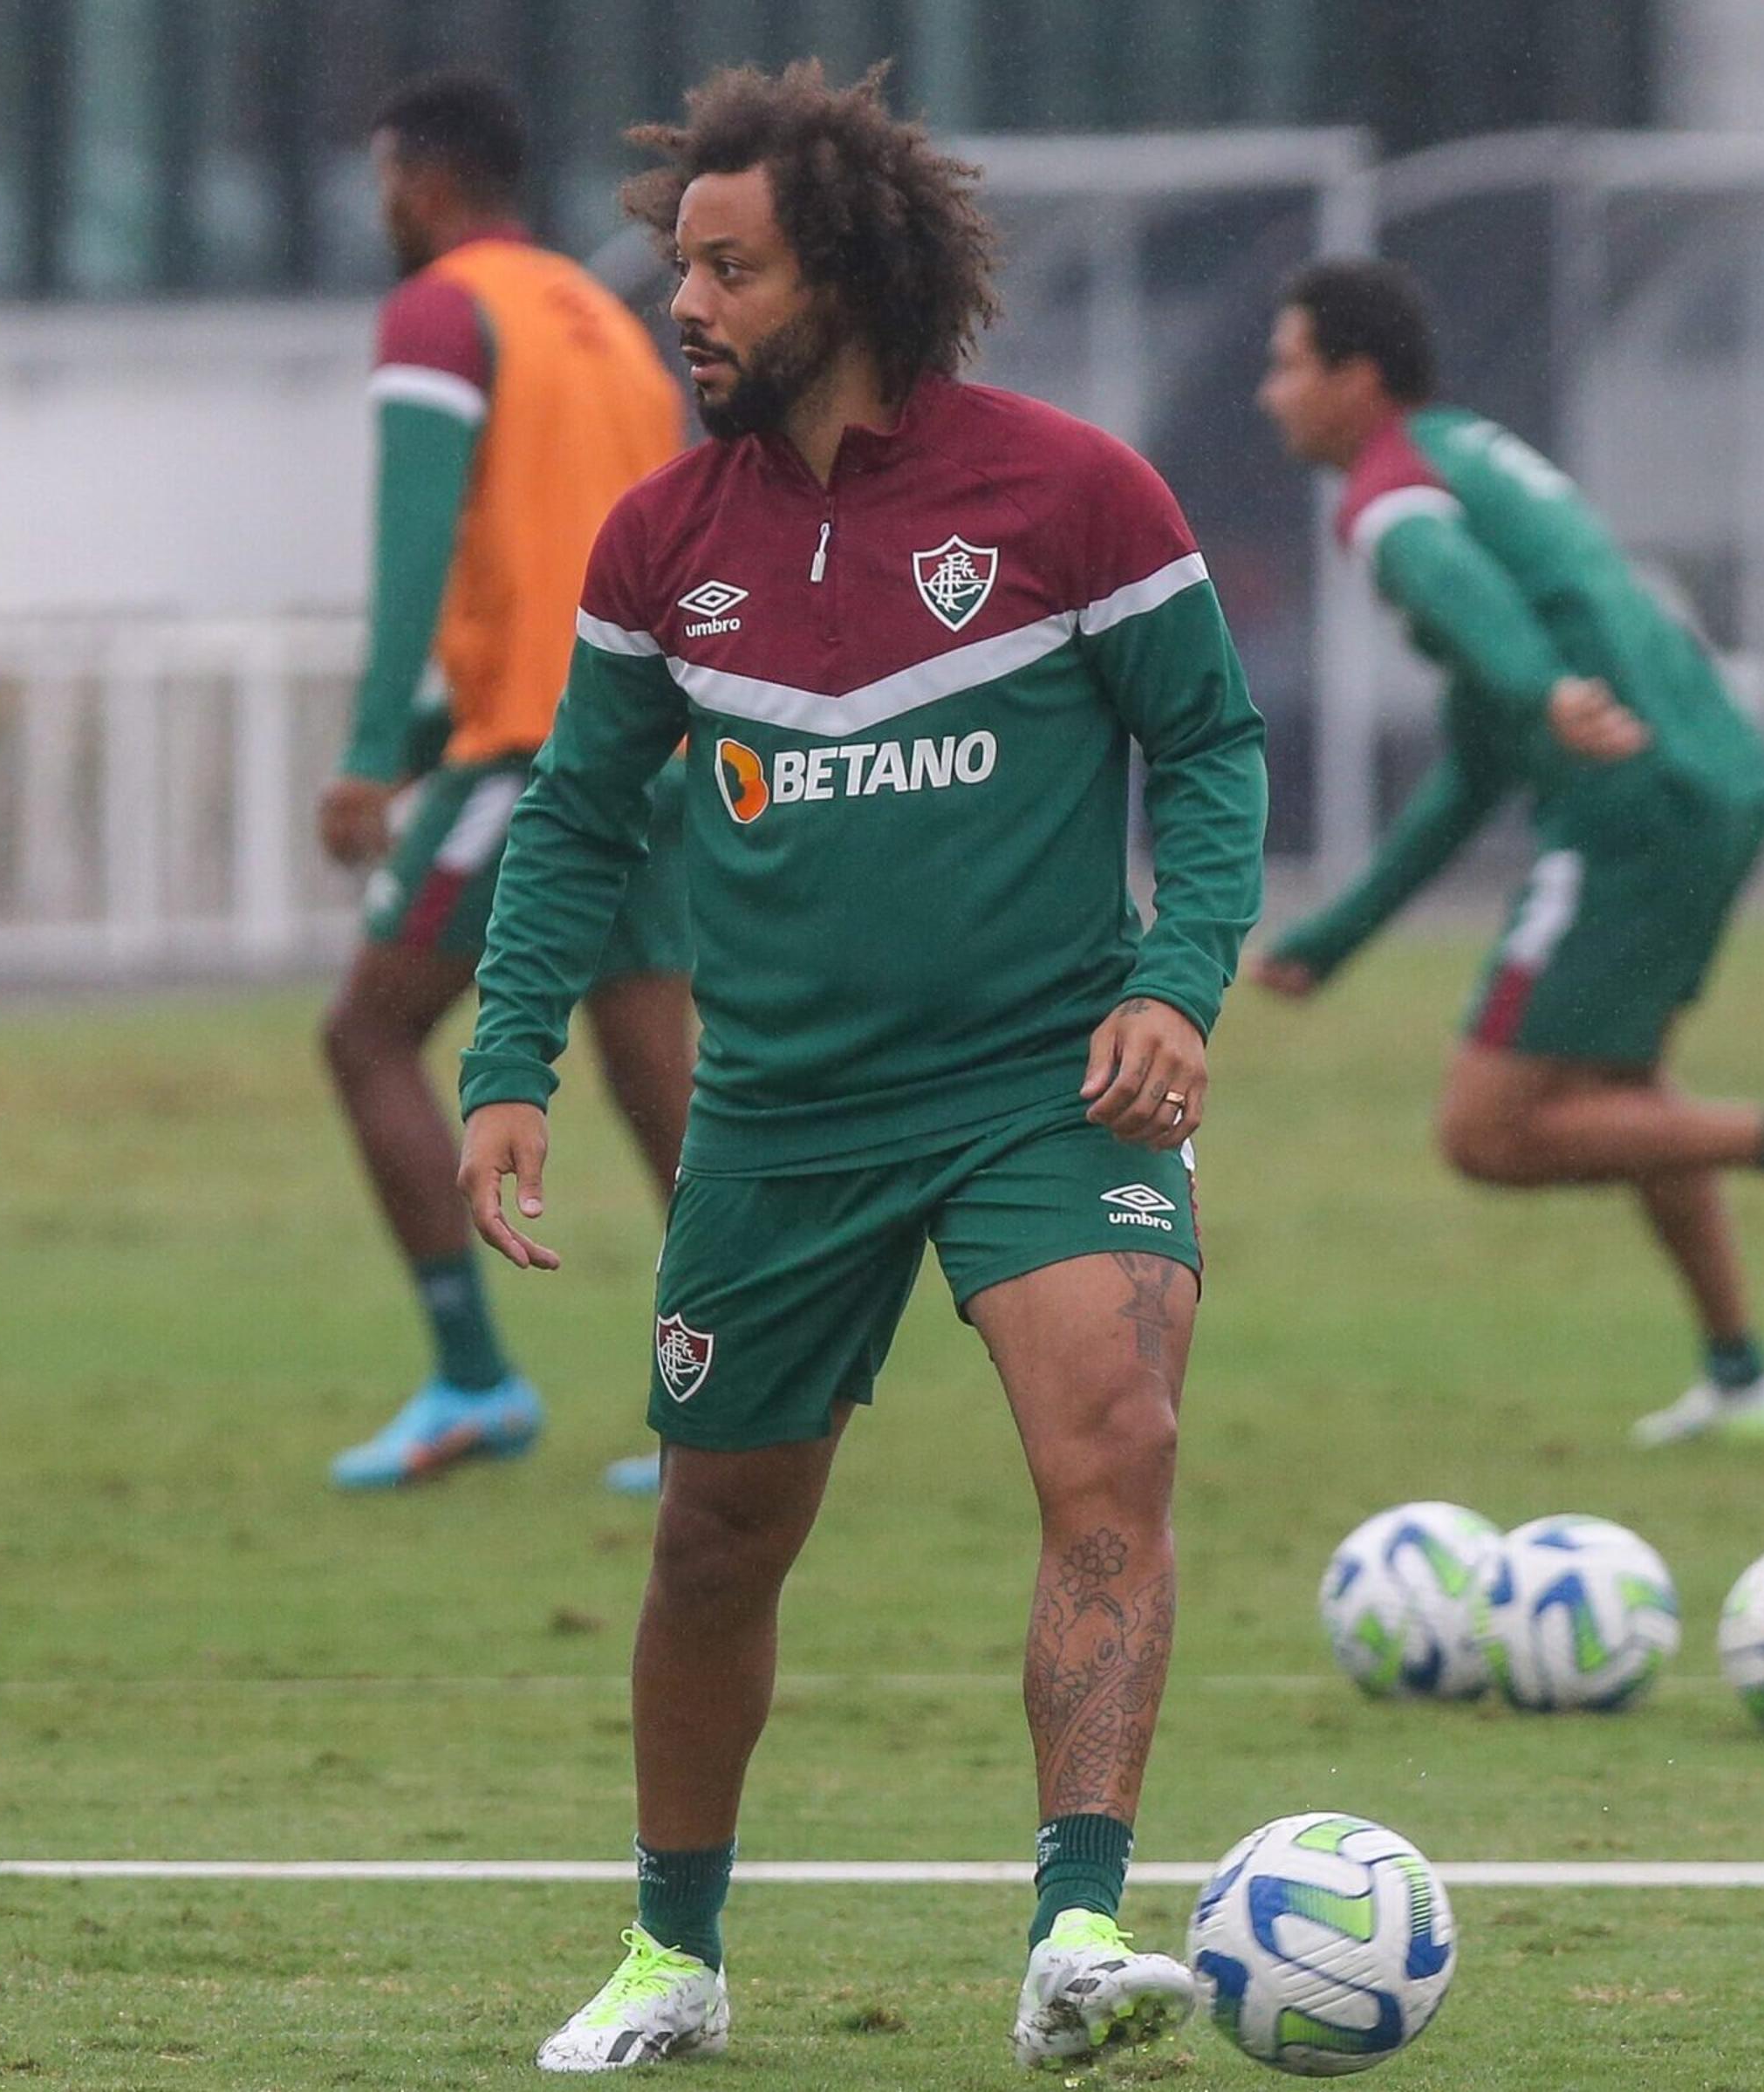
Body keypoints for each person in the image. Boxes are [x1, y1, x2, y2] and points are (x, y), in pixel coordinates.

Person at [455, 63, 1268, 2073]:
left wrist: (1178, 978)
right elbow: (570, 818)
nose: (690, 303)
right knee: (717, 1536)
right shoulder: (663, 545)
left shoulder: (1078, 495)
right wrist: (509, 1062)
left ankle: (1080, 1925)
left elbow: (1217, 746)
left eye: (732, 267)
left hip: (1039, 1082)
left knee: (1120, 1443)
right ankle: (676, 1956)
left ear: (855, 274)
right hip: (784, 1114)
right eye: (683, 264)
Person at [1247, 257, 1764, 1447]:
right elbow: (1477, 759)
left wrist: (1544, 688)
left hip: (1631, 802)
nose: (1269, 392)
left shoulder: (1390, 498)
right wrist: (1337, 937)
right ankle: (1743, 1373)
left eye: (1288, 364)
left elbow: (1457, 598)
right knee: (1620, 1097)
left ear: (1356, 378)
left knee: (1489, 1131)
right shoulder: (1471, 453)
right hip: (1713, 778)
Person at [316, 72, 697, 1498]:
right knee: (659, 1072)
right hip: (648, 738)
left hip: (543, 764)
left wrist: (370, 758)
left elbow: (414, 552)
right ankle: (746, 1387)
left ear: (417, 178)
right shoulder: (605, 321)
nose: (381, 210)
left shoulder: (436, 312)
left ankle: (473, 1378)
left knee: (366, 1035)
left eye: (382, 183)